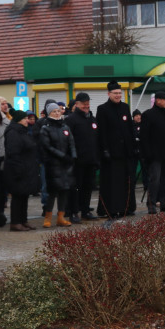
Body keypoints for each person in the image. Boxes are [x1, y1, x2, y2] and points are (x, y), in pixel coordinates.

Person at [95, 81, 136, 219]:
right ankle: (110, 209)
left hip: (125, 153)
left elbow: (130, 128)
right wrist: (104, 149)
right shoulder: (102, 109)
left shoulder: (125, 107)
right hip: (111, 154)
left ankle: (127, 207)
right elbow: (101, 132)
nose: (118, 95)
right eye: (115, 93)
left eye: (120, 93)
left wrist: (133, 147)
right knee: (112, 183)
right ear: (109, 94)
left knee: (126, 181)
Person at [141, 92, 165, 213]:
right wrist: (147, 154)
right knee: (155, 179)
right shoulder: (148, 114)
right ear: (157, 100)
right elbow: (144, 136)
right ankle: (151, 204)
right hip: (155, 155)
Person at [39, 100, 76, 227]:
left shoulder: (65, 127)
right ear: (49, 113)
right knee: (53, 191)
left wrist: (73, 156)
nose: (56, 113)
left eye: (58, 111)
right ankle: (48, 217)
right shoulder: (45, 128)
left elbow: (71, 143)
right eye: (54, 111)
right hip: (53, 164)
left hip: (66, 164)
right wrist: (62, 156)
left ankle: (61, 216)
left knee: (64, 190)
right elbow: (47, 146)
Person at [65, 92, 99, 224]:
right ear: (77, 104)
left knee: (88, 186)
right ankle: (74, 212)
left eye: (88, 103)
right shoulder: (71, 119)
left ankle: (85, 210)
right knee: (75, 187)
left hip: (90, 160)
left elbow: (96, 139)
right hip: (77, 161)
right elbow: (68, 141)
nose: (86, 105)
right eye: (84, 103)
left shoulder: (92, 119)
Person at [4, 109, 40, 231]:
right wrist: (19, 169)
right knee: (18, 196)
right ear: (19, 120)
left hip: (26, 169)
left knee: (24, 195)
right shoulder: (13, 132)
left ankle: (23, 220)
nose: (27, 120)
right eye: (25, 119)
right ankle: (15, 222)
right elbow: (13, 153)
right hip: (18, 170)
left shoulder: (23, 131)